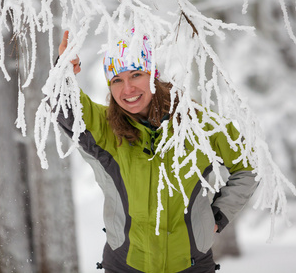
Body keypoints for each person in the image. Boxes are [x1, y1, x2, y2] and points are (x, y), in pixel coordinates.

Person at [56, 30, 258, 273]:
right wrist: (63, 72)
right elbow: (67, 110)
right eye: (116, 80)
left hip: (191, 264)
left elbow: (248, 167)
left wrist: (218, 216)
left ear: (153, 75)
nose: (127, 89)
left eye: (136, 75)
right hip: (126, 264)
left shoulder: (199, 125)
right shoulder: (105, 127)